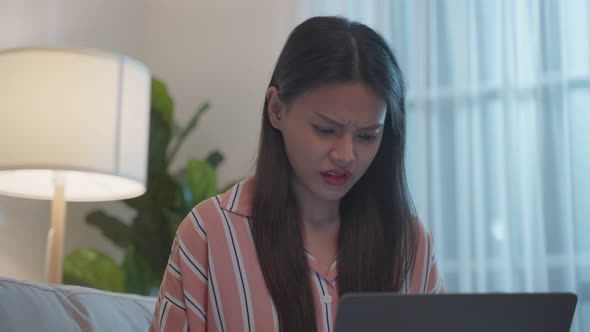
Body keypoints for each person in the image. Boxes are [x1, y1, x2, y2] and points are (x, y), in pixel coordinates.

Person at [150, 16, 443, 332]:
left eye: (368, 135)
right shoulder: (209, 234)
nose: (345, 155)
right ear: (276, 109)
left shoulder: (408, 242)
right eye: (326, 129)